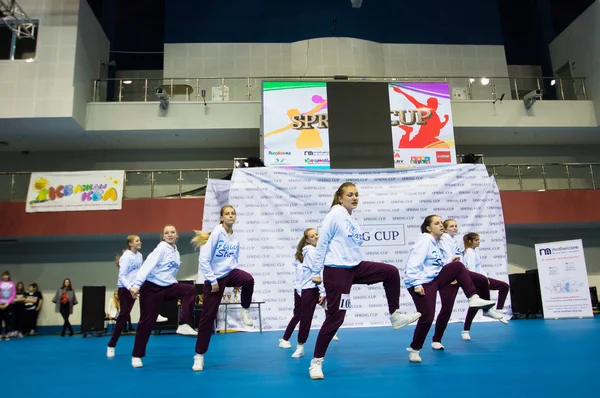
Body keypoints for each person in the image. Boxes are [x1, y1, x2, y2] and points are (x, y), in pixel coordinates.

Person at [306, 182, 422, 380]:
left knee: (391, 272)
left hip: (355, 268)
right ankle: (316, 362)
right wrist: (316, 272)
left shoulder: (351, 219)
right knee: (336, 318)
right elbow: (322, 243)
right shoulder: (334, 215)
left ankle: (395, 314)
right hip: (337, 271)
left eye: (357, 194)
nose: (355, 198)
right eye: (350, 194)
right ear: (340, 198)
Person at [403, 215, 497, 363]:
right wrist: (416, 283)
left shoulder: (435, 243)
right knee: (427, 318)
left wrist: (449, 261)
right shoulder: (425, 240)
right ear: (428, 228)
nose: (441, 225)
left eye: (441, 223)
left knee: (458, 266)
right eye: (437, 223)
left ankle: (473, 298)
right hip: (421, 283)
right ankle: (415, 349)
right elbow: (413, 263)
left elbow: (434, 264)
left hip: (433, 279)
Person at [191, 205, 255, 372]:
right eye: (227, 214)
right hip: (214, 279)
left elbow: (233, 260)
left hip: (229, 274)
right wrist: (212, 281)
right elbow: (204, 260)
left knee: (248, 279)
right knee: (207, 317)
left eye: (233, 213)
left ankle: (245, 309)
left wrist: (235, 282)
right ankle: (199, 356)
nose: (230, 216)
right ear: (221, 218)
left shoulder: (235, 237)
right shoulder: (217, 232)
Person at [129, 224, 197, 368]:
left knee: (189, 290)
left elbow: (170, 273)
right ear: (163, 236)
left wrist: (172, 284)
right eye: (167, 233)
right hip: (152, 288)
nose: (170, 235)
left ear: (177, 235)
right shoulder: (161, 249)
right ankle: (136, 355)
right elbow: (147, 265)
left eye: (173, 232)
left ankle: (184, 324)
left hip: (167, 286)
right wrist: (136, 284)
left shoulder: (176, 252)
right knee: (146, 323)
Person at [432, 221, 506, 349]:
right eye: (451, 226)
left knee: (482, 279)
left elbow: (458, 259)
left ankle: (486, 310)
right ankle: (436, 340)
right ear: (444, 229)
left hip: (459, 274)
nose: (455, 227)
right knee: (447, 309)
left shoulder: (453, 241)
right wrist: (451, 274)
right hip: (449, 277)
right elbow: (444, 260)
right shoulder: (443, 239)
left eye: (456, 225)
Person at [279, 228, 337, 358]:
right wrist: (322, 291)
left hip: (320, 287)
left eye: (317, 234)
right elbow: (316, 272)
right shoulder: (310, 252)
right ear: (307, 240)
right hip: (310, 289)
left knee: (332, 310)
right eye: (312, 236)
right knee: (305, 318)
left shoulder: (319, 250)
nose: (316, 237)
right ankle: (300, 346)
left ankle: (331, 331)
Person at [461, 232, 510, 340]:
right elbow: (471, 270)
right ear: (470, 241)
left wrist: (485, 278)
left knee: (504, 286)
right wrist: (481, 280)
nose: (479, 242)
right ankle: (467, 329)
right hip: (478, 281)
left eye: (479, 240)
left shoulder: (472, 252)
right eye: (476, 240)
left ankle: (497, 311)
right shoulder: (469, 253)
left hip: (482, 279)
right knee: (504, 287)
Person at [107, 235, 143, 358]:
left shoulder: (139, 256)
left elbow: (140, 273)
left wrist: (138, 285)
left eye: (139, 240)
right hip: (125, 289)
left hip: (136, 286)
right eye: (137, 241)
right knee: (124, 316)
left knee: (152, 292)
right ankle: (111, 344)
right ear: (130, 244)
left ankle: (156, 313)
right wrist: (130, 288)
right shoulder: (126, 257)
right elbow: (122, 276)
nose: (140, 242)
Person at [0, 271, 16, 340]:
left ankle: (7, 333)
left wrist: (7, 304)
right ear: (2, 276)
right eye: (4, 276)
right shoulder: (0, 283)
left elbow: (13, 294)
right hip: (0, 304)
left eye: (7, 276)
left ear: (8, 277)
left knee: (8, 320)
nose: (5, 277)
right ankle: (0, 334)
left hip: (8, 304)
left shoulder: (12, 284)